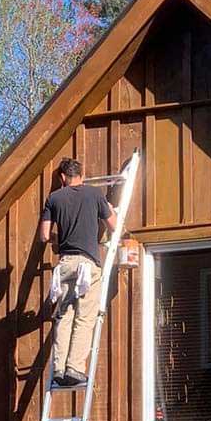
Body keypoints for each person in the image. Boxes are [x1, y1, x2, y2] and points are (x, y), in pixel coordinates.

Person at [39, 157, 117, 387]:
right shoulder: (94, 194)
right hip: (87, 265)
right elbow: (114, 225)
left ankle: (60, 367)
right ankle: (74, 367)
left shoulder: (54, 198)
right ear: (81, 175)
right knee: (85, 316)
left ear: (63, 178)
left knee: (64, 316)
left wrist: (60, 238)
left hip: (64, 266)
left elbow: (44, 236)